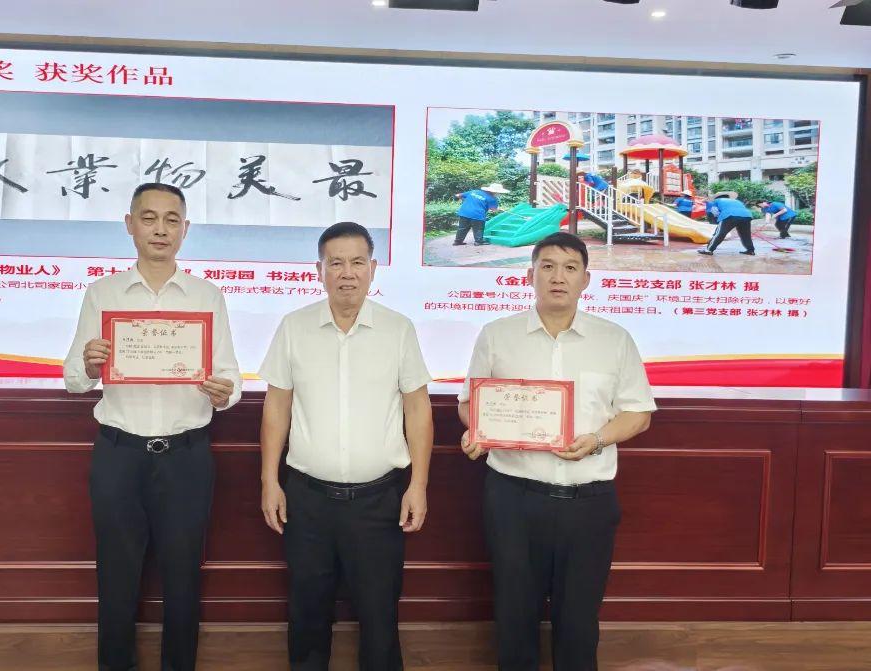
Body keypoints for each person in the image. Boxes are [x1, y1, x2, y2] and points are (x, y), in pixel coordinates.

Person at [64, 182, 242, 671]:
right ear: (130, 225)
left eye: (171, 219)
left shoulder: (207, 296)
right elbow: (74, 380)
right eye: (149, 218)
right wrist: (89, 363)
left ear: (185, 229)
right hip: (118, 455)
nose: (160, 229)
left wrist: (224, 392)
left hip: (186, 456)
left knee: (183, 577)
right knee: (116, 577)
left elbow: (231, 380)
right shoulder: (102, 293)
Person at [458, 231, 656, 671]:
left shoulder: (614, 339)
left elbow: (638, 413)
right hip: (513, 497)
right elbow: (470, 404)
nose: (557, 277)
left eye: (570, 268)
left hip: (588, 501)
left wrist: (597, 440)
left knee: (579, 619)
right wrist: (477, 432)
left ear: (586, 279)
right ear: (530, 275)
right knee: (514, 614)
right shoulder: (497, 335)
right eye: (547, 267)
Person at [259, 221, 434, 670]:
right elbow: (277, 407)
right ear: (319, 270)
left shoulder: (398, 329)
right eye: (335, 263)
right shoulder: (294, 327)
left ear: (373, 269)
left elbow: (417, 409)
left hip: (378, 500)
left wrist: (418, 485)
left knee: (379, 611)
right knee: (307, 608)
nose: (347, 273)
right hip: (307, 498)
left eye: (357, 262)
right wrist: (269, 481)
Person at [698, 192, 755, 256]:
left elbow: (715, 212)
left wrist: (717, 219)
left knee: (720, 234)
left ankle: (709, 250)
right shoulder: (737, 201)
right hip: (747, 215)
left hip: (729, 215)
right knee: (745, 235)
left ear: (717, 197)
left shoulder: (717, 201)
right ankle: (750, 250)